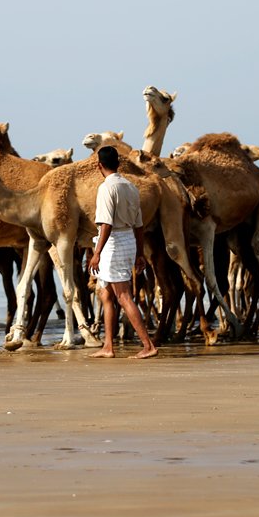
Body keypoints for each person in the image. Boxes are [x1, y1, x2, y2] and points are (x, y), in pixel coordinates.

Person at [86, 145, 157, 359]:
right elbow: (139, 225)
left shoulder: (107, 188)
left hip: (113, 242)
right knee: (106, 294)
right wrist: (139, 252)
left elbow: (106, 224)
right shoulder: (131, 187)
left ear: (99, 166)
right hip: (127, 240)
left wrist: (96, 253)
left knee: (123, 296)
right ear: (118, 163)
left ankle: (148, 345)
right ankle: (108, 346)